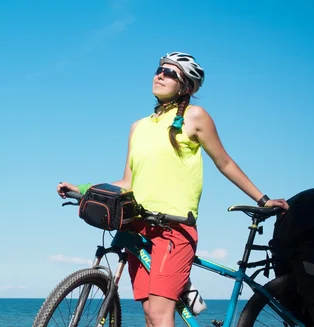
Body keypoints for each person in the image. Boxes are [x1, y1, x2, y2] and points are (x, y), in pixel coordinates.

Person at [56, 52, 290, 327]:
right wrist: (83, 188)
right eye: (159, 70)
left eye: (170, 73)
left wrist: (262, 199)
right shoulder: (138, 127)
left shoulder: (196, 117)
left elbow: (224, 162)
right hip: (138, 228)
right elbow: (127, 183)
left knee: (159, 312)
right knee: (149, 314)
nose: (160, 75)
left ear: (186, 86)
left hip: (174, 228)